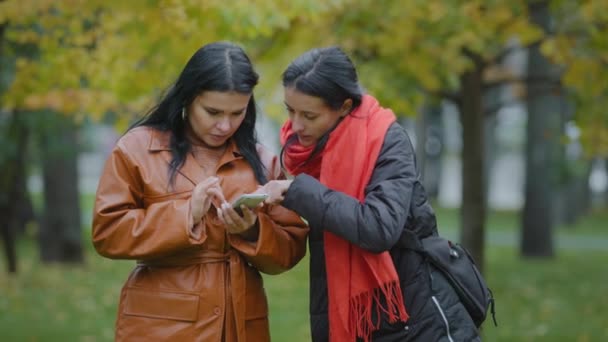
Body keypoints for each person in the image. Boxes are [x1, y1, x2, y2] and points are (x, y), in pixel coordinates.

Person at [92, 41, 308, 342]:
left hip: (240, 322)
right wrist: (184, 215)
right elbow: (107, 233)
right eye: (213, 111)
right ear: (188, 98)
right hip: (161, 325)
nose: (224, 125)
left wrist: (253, 231)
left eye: (237, 113)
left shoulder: (262, 161)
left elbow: (291, 250)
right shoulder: (138, 149)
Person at [261, 46, 480, 341]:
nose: (296, 125)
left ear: (345, 106)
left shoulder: (388, 141)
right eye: (290, 110)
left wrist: (297, 189)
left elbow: (378, 227)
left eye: (309, 115)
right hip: (352, 321)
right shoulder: (311, 150)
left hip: (412, 320)